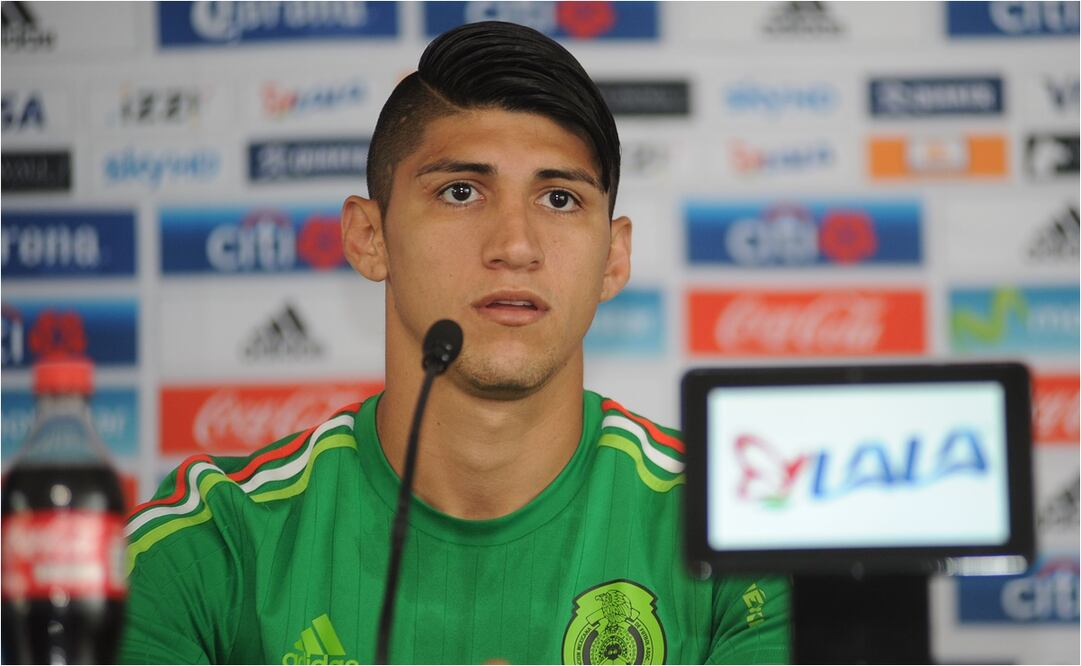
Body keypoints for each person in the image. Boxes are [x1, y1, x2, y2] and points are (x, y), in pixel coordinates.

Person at [119, 21, 790, 665]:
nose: (515, 245)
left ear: (613, 258)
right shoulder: (208, 543)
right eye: (461, 191)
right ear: (368, 237)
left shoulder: (741, 534)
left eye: (559, 199)